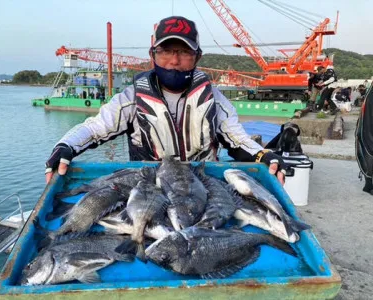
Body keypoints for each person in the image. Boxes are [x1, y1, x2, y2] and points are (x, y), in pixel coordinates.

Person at [44, 16, 287, 185]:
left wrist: (264, 156)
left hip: (205, 186)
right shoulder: (131, 99)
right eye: (166, 51)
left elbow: (238, 140)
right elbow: (95, 128)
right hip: (151, 188)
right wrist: (65, 147)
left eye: (183, 52)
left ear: (197, 57)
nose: (174, 60)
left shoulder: (216, 100)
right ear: (153, 55)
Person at [355, 84, 373, 195]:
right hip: (368, 130)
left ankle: (369, 183)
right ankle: (369, 184)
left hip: (367, 129)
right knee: (368, 153)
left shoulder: (370, 92)